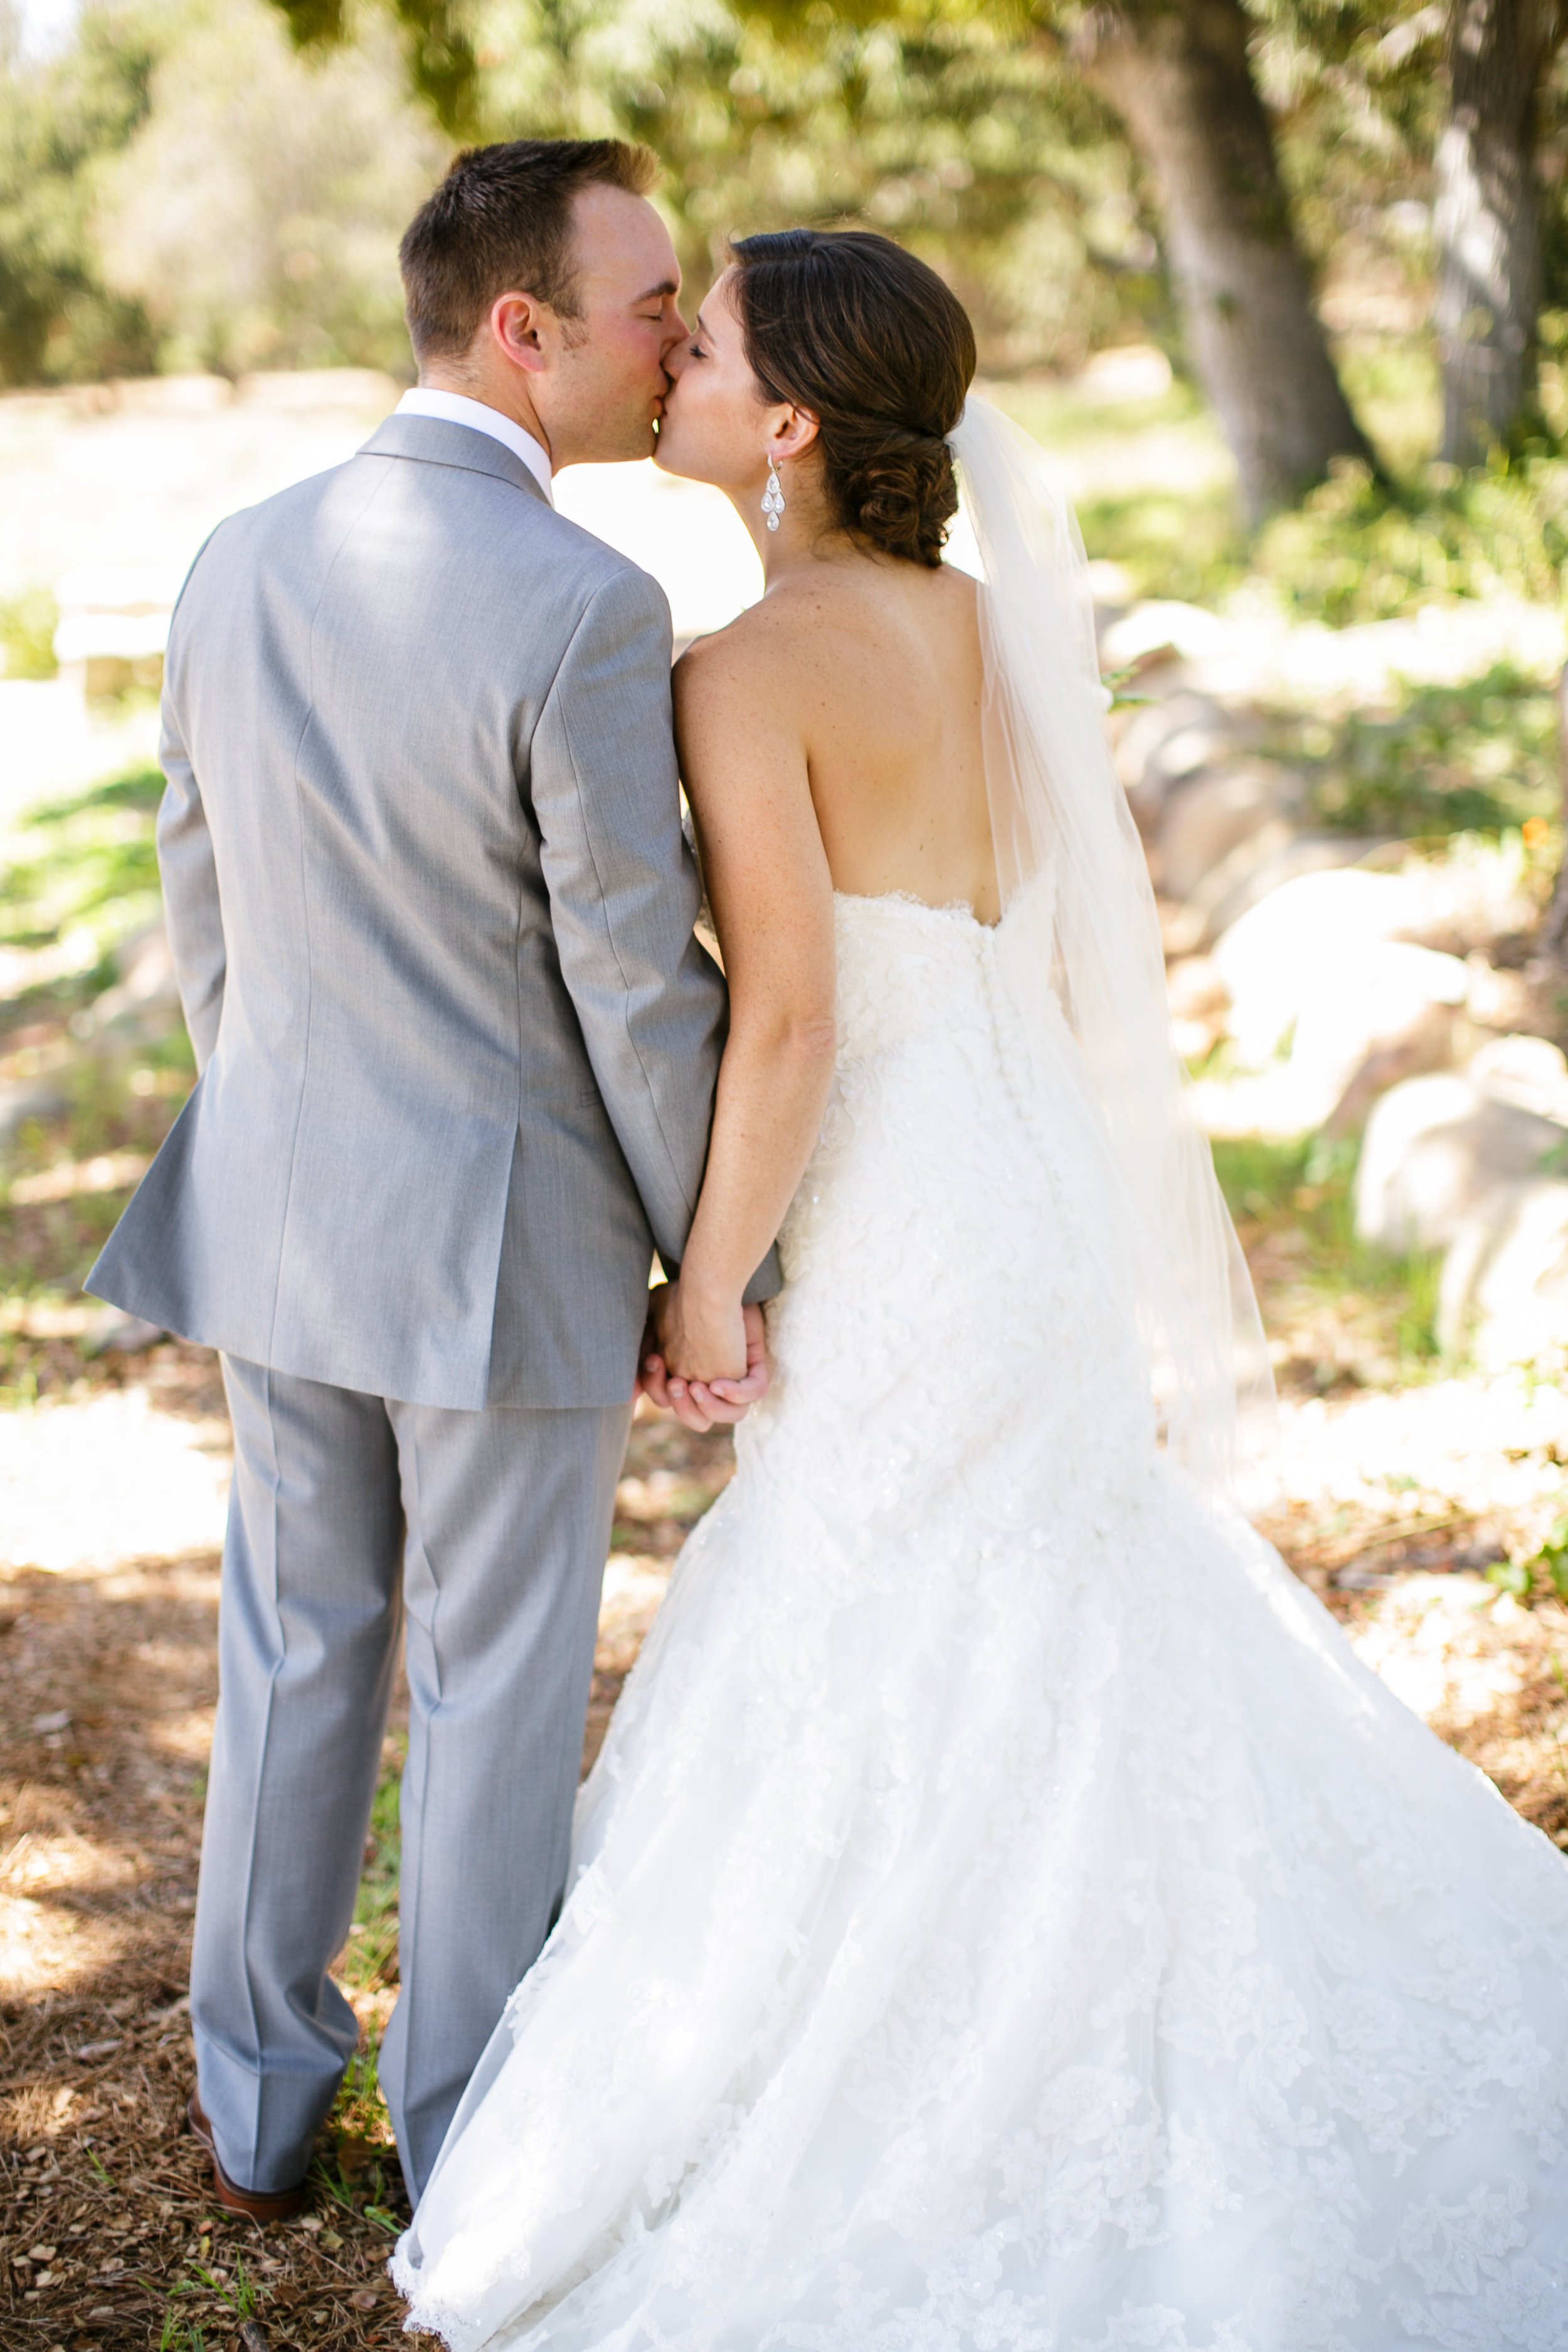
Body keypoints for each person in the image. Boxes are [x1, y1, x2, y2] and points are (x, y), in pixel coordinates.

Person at [394, 229, 1568, 2349]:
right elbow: (1018, 949)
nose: (670, 362)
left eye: (711, 340)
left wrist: (712, 1286)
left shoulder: (738, 677)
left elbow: (788, 1028)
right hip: (1023, 1191)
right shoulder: (997, 625)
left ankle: (933, 2071)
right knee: (1052, 1606)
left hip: (904, 1216)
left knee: (894, 1620)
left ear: (791, 425)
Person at [85, 137, 776, 2220]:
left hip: (281, 1210)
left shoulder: (239, 555)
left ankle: (259, 2108)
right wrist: (713, 1258)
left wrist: (285, 1110)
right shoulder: (582, 602)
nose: (672, 337)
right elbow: (636, 986)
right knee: (488, 1684)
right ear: (523, 327)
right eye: (650, 303)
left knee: (295, 1650)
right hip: (505, 1247)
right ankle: (471, 2139)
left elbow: (200, 895)